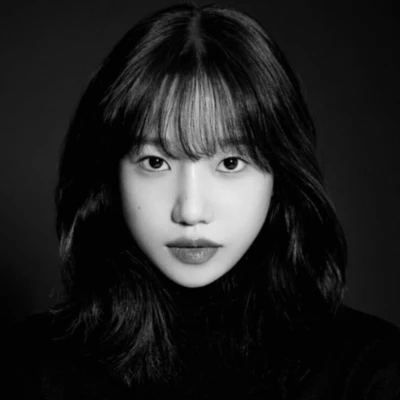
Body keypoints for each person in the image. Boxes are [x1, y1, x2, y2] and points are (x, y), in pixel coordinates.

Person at [3, 2, 400, 399]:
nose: (190, 211)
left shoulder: (371, 371)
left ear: (280, 174)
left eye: (230, 162)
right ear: (109, 175)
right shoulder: (28, 368)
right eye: (155, 162)